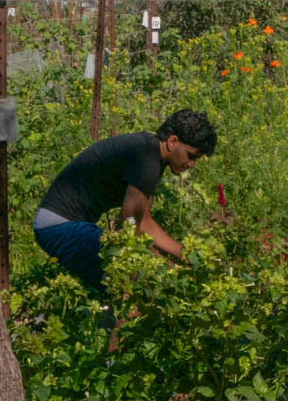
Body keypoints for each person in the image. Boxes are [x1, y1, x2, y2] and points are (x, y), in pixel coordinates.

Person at [32, 109, 217, 299]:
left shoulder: (150, 153)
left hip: (59, 224)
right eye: (191, 155)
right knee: (131, 285)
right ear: (172, 142)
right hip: (59, 226)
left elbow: (144, 222)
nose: (192, 164)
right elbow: (129, 227)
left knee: (121, 286)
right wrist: (164, 267)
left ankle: (102, 323)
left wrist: (187, 255)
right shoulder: (146, 159)